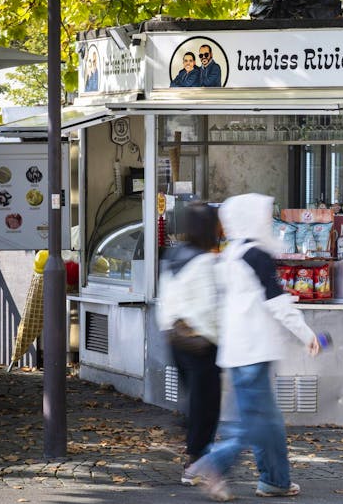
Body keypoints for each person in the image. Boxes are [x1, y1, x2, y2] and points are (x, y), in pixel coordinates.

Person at [188, 193, 322, 501]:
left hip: (236, 351)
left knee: (269, 421)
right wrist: (306, 334)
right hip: (255, 350)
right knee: (255, 423)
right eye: (263, 216)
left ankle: (276, 480)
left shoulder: (230, 254)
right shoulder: (256, 256)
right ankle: (213, 464)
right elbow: (278, 304)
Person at [156, 203, 222, 485]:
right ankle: (195, 462)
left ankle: (189, 445)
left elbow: (166, 299)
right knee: (206, 405)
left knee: (195, 401)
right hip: (202, 342)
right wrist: (220, 337)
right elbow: (210, 307)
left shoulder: (173, 255)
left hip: (175, 338)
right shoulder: (205, 261)